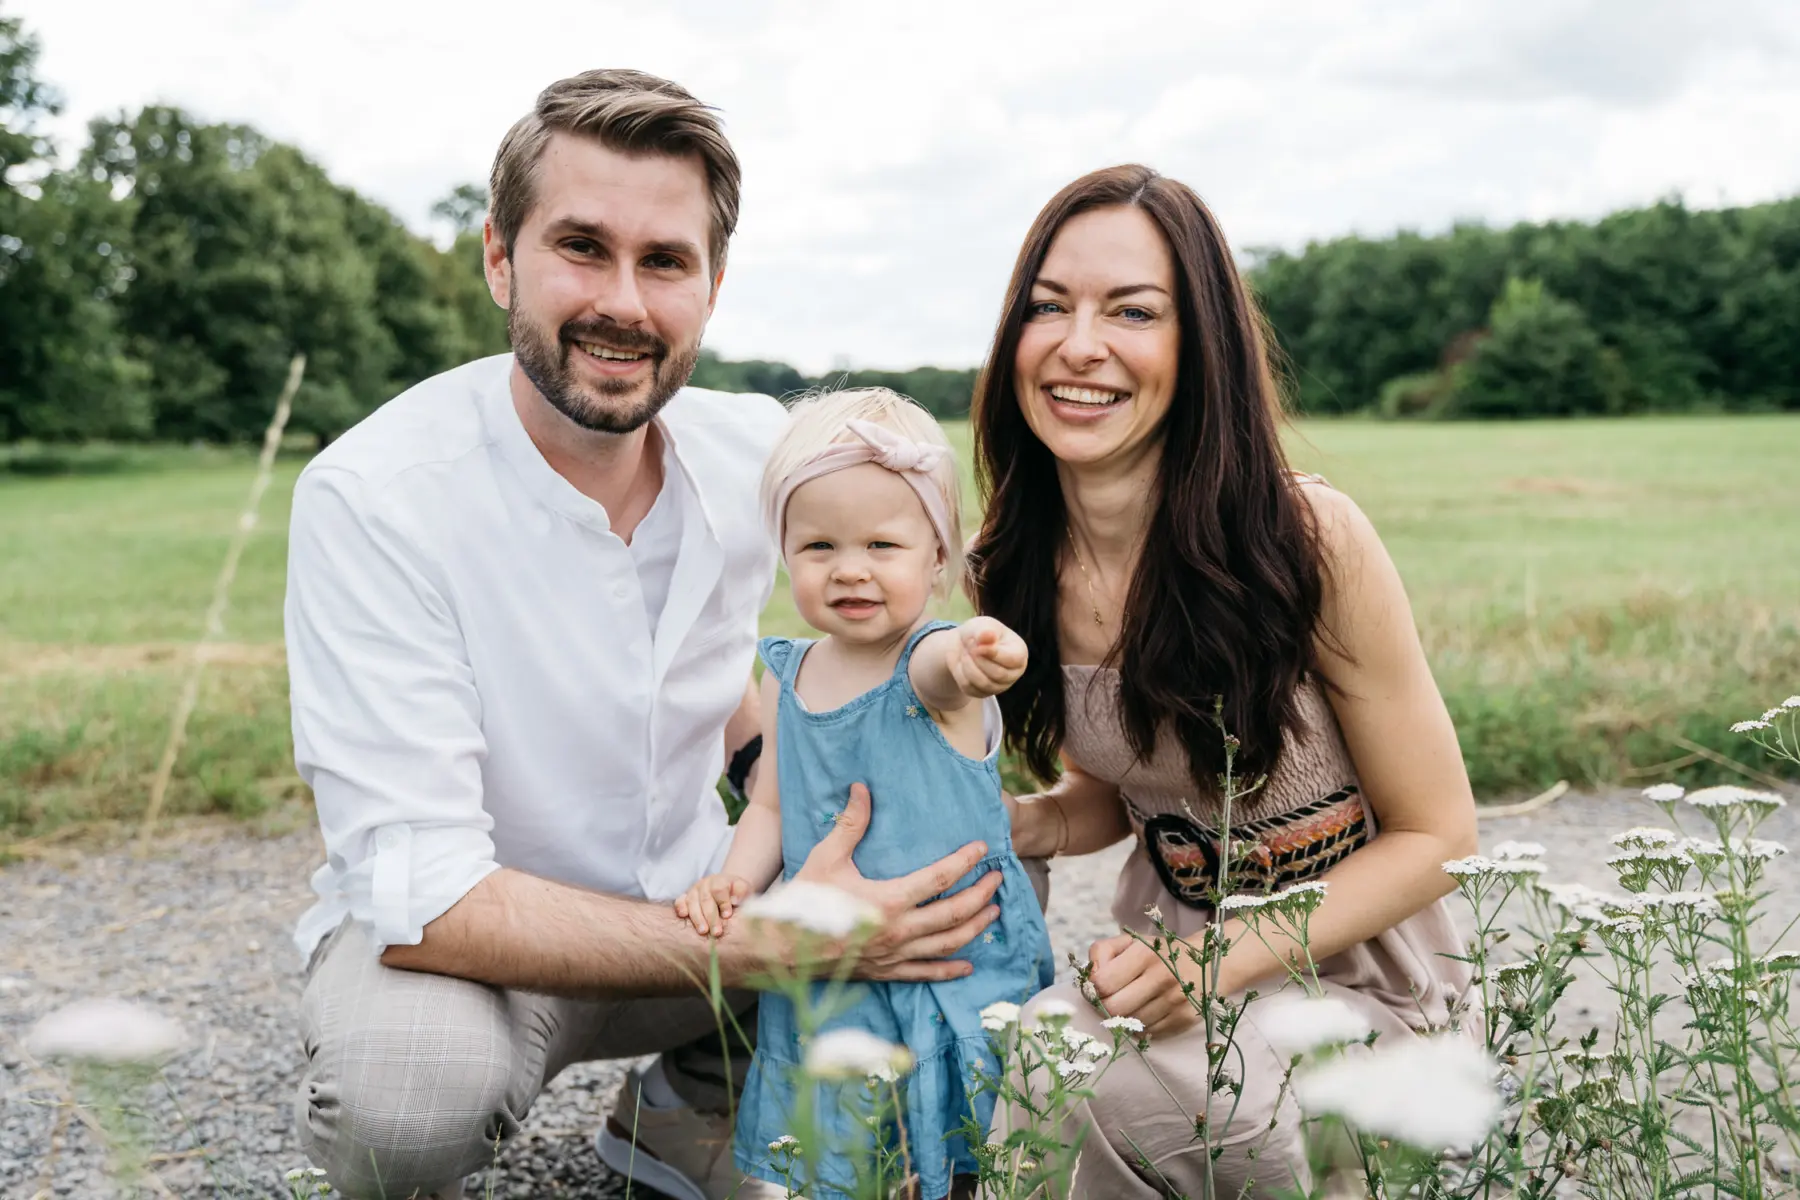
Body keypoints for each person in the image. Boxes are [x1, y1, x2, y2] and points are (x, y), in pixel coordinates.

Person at [285, 70, 1007, 1200]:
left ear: (712, 287)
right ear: (497, 258)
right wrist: (779, 947)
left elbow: (739, 683)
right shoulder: (378, 493)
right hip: (483, 958)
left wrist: (847, 791)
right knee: (400, 1107)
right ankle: (735, 1047)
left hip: (696, 905)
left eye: (664, 260)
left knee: (955, 874)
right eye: (581, 246)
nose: (624, 300)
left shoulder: (753, 457)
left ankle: (693, 1105)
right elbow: (419, 891)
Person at [971, 165, 1481, 1197]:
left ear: (1198, 345)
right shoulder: (1010, 566)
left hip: (1362, 994)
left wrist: (1216, 963)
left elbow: (1440, 840)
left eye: (1133, 312)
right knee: (1023, 1065)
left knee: (1102, 1088)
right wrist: (1022, 823)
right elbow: (1124, 792)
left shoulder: (1307, 540)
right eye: (1048, 306)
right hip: (1174, 982)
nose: (1080, 344)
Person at [674, 388, 1055, 1200]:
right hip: (836, 970)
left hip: (951, 963)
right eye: (818, 545)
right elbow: (770, 807)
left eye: (883, 543)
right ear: (784, 553)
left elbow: (945, 667)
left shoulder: (931, 669)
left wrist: (981, 651)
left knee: (960, 1146)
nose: (849, 568)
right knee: (843, 1150)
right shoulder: (789, 676)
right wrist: (737, 881)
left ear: (939, 560)